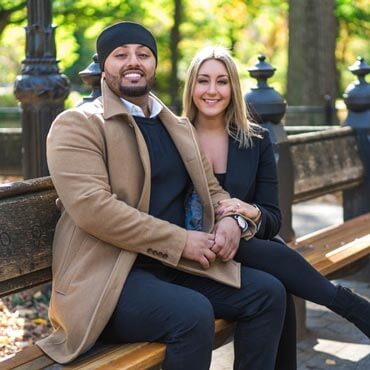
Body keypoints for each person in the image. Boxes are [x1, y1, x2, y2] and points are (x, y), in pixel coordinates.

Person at [37, 22, 288, 369]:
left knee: (267, 293)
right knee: (192, 315)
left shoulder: (176, 125)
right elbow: (94, 209)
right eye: (119, 55)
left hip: (173, 268)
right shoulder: (78, 124)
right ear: (103, 66)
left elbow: (210, 189)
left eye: (143, 54)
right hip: (109, 281)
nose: (133, 61)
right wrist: (181, 240)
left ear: (154, 64)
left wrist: (232, 219)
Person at [182, 45, 370, 362]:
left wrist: (246, 212)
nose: (212, 90)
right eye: (203, 81)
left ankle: (349, 305)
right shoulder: (174, 136)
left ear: (233, 88)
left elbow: (272, 218)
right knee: (277, 278)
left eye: (222, 81)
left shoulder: (254, 140)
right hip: (194, 253)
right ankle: (347, 304)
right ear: (191, 87)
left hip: (248, 251)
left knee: (276, 285)